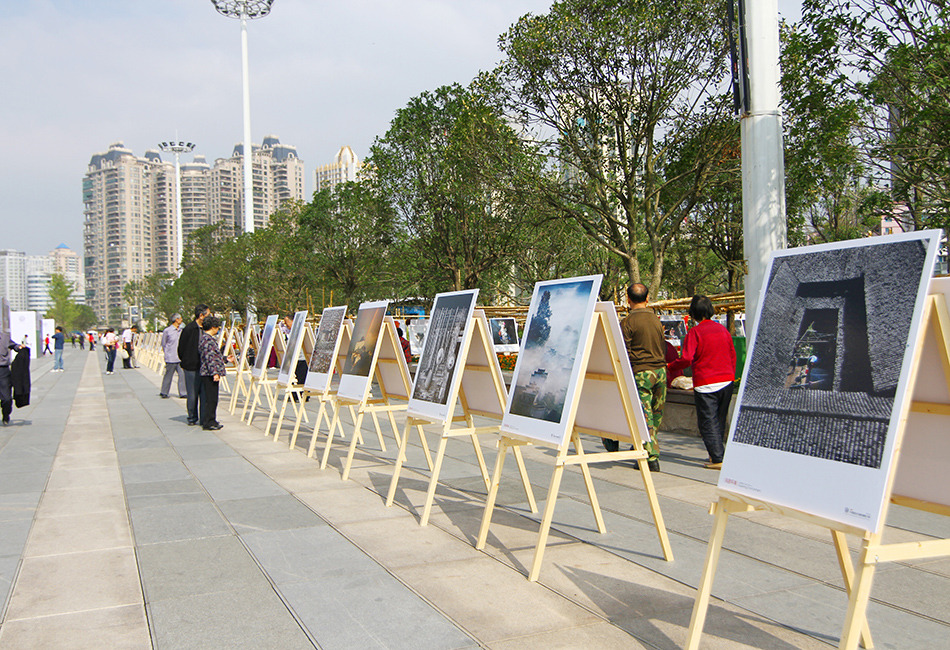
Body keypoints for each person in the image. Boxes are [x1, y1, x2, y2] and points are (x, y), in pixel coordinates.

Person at [668, 295, 737, 469]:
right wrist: (730, 374)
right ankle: (716, 454)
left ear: (693, 313)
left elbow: (687, 358)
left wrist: (670, 365)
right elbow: (732, 355)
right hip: (726, 380)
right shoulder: (723, 330)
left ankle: (717, 457)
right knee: (720, 419)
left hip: (706, 382)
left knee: (707, 421)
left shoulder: (695, 332)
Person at [608, 283, 667, 472]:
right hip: (661, 372)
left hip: (642, 372)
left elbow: (622, 352)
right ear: (647, 299)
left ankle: (651, 457)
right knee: (656, 416)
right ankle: (644, 447)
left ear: (628, 299)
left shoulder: (627, 323)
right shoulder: (656, 320)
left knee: (645, 415)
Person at [179, 304, 210, 426]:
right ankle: (192, 417)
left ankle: (203, 418)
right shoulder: (189, 329)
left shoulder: (207, 329)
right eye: (208, 314)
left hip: (204, 367)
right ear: (201, 315)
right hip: (191, 367)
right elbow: (181, 348)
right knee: (192, 393)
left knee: (204, 394)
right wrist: (187, 360)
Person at [198, 315, 231, 430]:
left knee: (212, 398)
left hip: (208, 372)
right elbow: (209, 358)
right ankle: (209, 421)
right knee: (211, 398)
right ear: (213, 327)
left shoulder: (206, 339)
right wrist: (214, 372)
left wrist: (225, 359)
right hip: (209, 373)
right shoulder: (207, 340)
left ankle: (211, 419)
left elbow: (214, 356)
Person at [0, 330, 26, 425]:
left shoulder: (5, 337)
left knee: (7, 399)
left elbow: (13, 345)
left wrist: (19, 347)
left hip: (3, 371)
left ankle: (6, 415)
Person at [159, 314, 187, 399]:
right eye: (180, 318)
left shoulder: (181, 330)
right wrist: (167, 354)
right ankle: (164, 392)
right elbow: (164, 344)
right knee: (168, 375)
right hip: (171, 357)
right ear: (176, 320)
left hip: (180, 357)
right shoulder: (167, 331)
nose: (181, 320)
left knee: (182, 375)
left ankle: (183, 392)